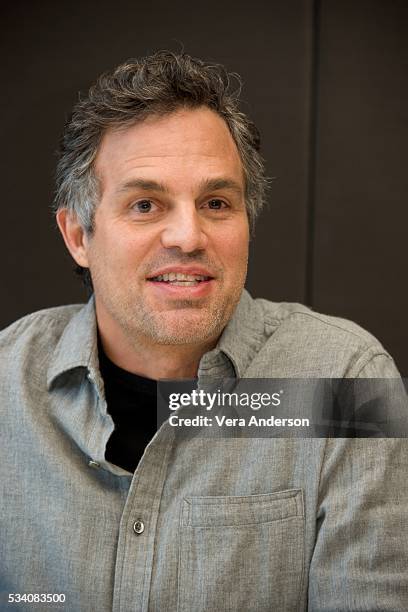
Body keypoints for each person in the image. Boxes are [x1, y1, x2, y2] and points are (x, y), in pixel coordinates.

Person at [0, 51, 407, 612]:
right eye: (146, 204)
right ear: (78, 236)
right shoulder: (6, 386)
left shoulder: (343, 383)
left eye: (217, 202)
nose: (189, 237)